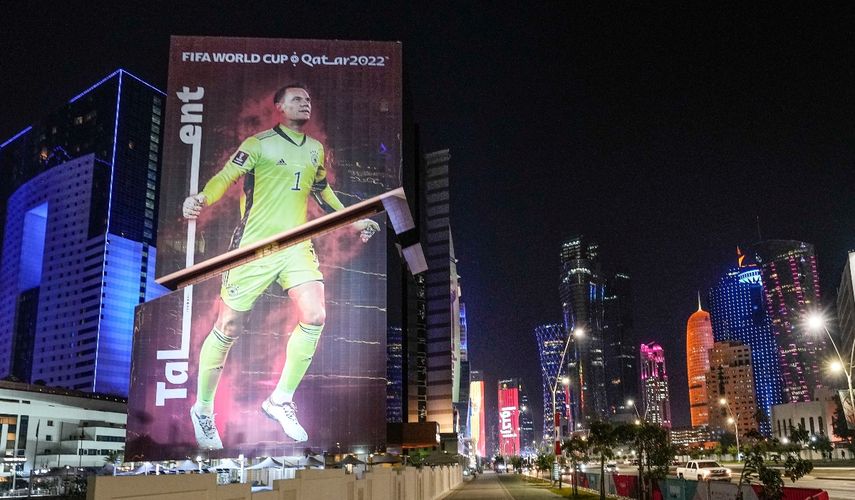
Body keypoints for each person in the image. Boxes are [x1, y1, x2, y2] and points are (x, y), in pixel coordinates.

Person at [182, 83, 380, 449]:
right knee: (228, 324)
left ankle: (280, 400)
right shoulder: (257, 144)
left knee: (316, 314)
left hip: (296, 247)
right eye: (296, 99)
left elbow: (323, 193)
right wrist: (201, 198)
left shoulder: (316, 150)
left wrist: (355, 221)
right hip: (254, 247)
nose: (304, 103)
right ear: (278, 107)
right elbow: (226, 178)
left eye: (308, 98)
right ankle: (203, 409)